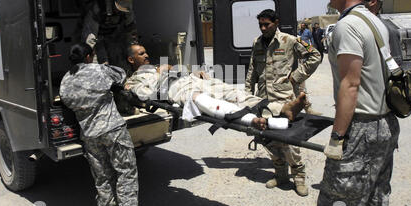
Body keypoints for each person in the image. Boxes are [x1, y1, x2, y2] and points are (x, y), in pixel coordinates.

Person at [317, 0, 400, 206]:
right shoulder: (376, 21)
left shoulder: (348, 26)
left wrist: (338, 138)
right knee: (374, 205)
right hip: (385, 127)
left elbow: (351, 85)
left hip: (360, 131)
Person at [59, 43, 147, 206]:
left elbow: (66, 101)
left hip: (89, 134)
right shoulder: (99, 70)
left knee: (102, 175)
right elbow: (121, 75)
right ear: (89, 56)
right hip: (112, 129)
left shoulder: (66, 79)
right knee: (126, 169)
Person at [125, 43, 308, 130]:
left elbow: (181, 70)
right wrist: (160, 74)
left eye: (146, 51)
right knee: (204, 101)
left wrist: (194, 73)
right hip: (175, 89)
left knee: (232, 92)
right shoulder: (134, 79)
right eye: (142, 54)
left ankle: (280, 108)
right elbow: (145, 95)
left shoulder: (160, 65)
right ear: (131, 59)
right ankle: (254, 119)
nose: (147, 55)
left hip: (191, 80)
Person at [245, 9, 322, 196]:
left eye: (267, 24)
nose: (263, 28)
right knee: (269, 139)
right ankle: (280, 175)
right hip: (264, 101)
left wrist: (295, 77)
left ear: (276, 22)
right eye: (260, 25)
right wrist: (247, 95)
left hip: (284, 100)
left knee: (289, 142)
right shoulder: (257, 43)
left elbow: (315, 56)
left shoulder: (289, 40)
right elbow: (252, 70)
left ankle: (299, 177)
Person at [81, 0, 138, 72]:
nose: (120, 11)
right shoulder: (98, 8)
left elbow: (131, 31)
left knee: (120, 62)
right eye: (119, 7)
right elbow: (90, 38)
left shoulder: (128, 10)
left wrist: (134, 52)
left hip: (113, 36)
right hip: (96, 37)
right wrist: (92, 62)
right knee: (101, 65)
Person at [364, 0, 403, 66]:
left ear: (373, 2)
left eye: (362, 0)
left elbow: (396, 63)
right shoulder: (357, 24)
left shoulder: (388, 30)